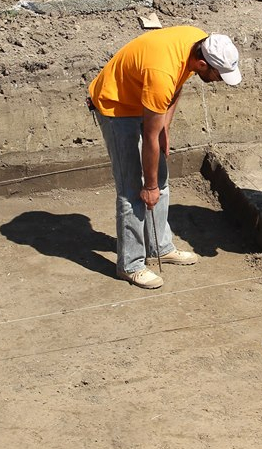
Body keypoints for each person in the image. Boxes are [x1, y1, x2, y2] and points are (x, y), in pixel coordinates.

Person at [88, 26, 242, 288]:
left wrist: (165, 127)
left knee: (161, 179)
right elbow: (149, 137)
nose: (219, 81)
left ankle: (159, 246)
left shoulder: (196, 40)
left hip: (144, 95)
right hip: (117, 104)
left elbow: (178, 84)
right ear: (203, 63)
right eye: (218, 75)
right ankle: (130, 265)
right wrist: (148, 187)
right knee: (132, 190)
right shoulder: (162, 74)